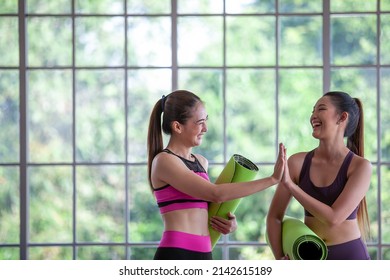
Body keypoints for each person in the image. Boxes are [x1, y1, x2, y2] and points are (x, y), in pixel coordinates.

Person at [147, 89, 285, 260]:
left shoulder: (201, 162)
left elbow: (205, 208)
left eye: (206, 121)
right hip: (176, 254)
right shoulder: (164, 161)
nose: (205, 128)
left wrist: (229, 223)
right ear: (177, 126)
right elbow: (216, 193)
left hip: (205, 254)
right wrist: (272, 179)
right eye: (199, 122)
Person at [266, 91, 372, 260]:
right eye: (312, 111)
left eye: (321, 109)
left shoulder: (361, 167)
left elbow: (334, 218)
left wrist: (291, 186)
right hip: (309, 257)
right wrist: (280, 258)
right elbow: (274, 217)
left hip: (350, 256)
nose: (313, 116)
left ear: (342, 117)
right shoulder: (297, 162)